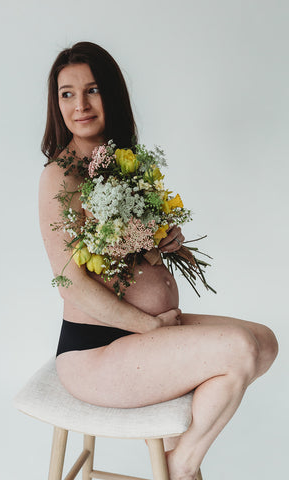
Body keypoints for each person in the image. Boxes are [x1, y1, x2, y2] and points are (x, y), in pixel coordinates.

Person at [39, 41, 278, 480]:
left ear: (112, 94)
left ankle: (175, 459)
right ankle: (181, 468)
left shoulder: (119, 163)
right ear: (56, 104)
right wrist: (149, 326)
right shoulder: (61, 175)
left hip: (147, 335)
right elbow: (70, 280)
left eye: (92, 90)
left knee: (264, 343)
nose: (80, 105)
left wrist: (165, 242)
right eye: (67, 94)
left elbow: (121, 254)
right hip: (97, 351)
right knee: (240, 350)